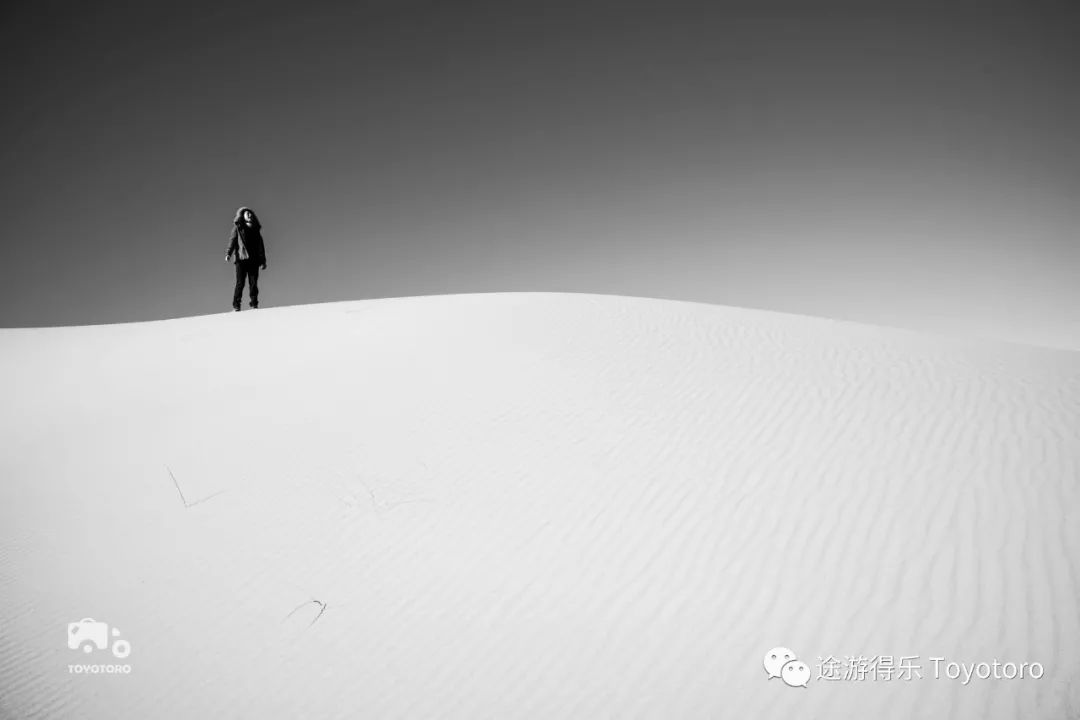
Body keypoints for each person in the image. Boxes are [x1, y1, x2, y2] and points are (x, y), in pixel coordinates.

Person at [225, 206, 268, 311]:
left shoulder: (256, 230)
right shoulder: (238, 228)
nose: (250, 215)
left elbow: (260, 247)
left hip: (254, 260)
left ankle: (254, 304)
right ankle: (236, 305)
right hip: (241, 259)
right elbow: (232, 241)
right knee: (240, 283)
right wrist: (228, 253)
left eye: (251, 213)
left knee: (253, 283)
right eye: (247, 213)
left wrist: (263, 261)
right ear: (242, 216)